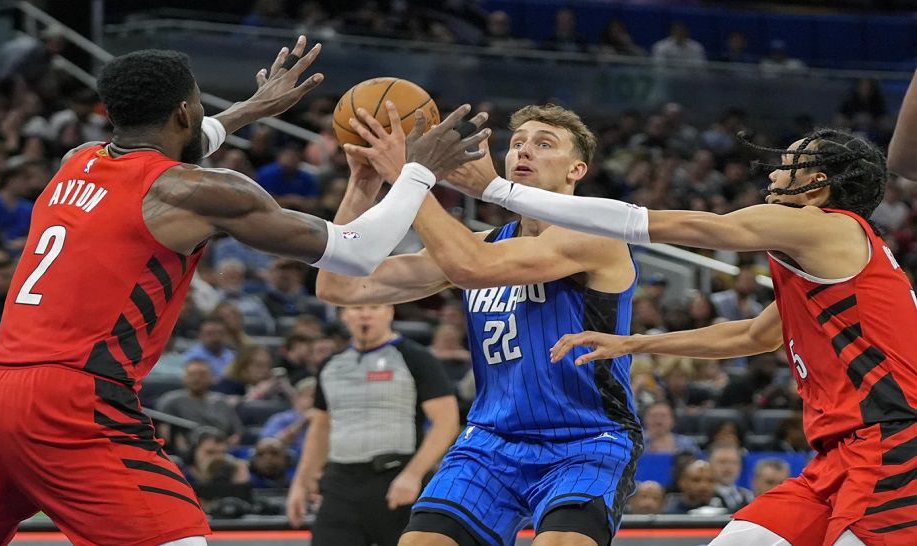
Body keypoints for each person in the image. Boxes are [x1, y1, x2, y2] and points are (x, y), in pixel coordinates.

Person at [0, 35, 489, 545]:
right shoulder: (200, 190)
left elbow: (164, 148)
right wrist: (416, 172)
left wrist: (247, 110)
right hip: (68, 399)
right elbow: (355, 249)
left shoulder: (77, 162)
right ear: (186, 110)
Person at [452, 114, 916, 544]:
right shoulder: (828, 261)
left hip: (894, 449)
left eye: (787, 162)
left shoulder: (822, 227)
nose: (772, 173)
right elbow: (754, 336)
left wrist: (499, 189)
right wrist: (635, 342)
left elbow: (677, 225)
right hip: (838, 456)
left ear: (816, 184)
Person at [316, 102, 641, 546]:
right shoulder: (476, 245)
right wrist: (364, 183)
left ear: (575, 170)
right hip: (490, 440)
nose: (524, 150)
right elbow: (340, 287)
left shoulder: (598, 234)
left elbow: (472, 268)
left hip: (587, 437)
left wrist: (407, 177)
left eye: (544, 144)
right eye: (519, 142)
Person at [286, 304, 459, 546]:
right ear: (344, 315)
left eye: (374, 307)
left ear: (389, 311)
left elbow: (447, 421)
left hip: (396, 477)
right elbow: (320, 428)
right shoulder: (331, 365)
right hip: (340, 483)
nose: (365, 314)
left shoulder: (415, 357)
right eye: (356, 308)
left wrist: (413, 475)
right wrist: (300, 484)